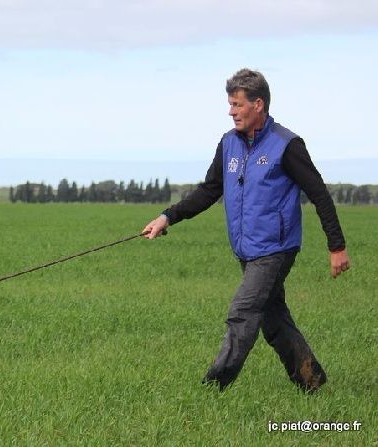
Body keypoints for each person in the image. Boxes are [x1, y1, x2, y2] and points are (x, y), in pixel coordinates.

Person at [142, 68, 351, 392]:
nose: (231, 111)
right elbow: (209, 190)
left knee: (243, 311)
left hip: (276, 248)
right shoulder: (228, 144)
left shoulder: (286, 145)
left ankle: (212, 387)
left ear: (258, 104)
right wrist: (167, 217)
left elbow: (319, 193)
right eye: (230, 104)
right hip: (246, 249)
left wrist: (336, 247)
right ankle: (312, 382)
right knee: (274, 320)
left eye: (237, 105)